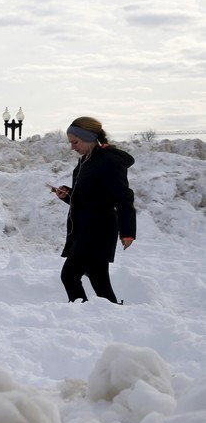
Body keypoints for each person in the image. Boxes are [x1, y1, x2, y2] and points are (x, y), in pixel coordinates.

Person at [50, 117, 136, 303]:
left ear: (89, 138)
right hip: (85, 229)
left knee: (70, 276)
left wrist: (127, 231)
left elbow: (124, 197)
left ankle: (81, 314)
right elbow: (89, 198)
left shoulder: (109, 161)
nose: (72, 147)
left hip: (98, 230)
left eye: (75, 142)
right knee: (100, 282)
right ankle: (114, 318)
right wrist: (68, 195)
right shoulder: (85, 161)